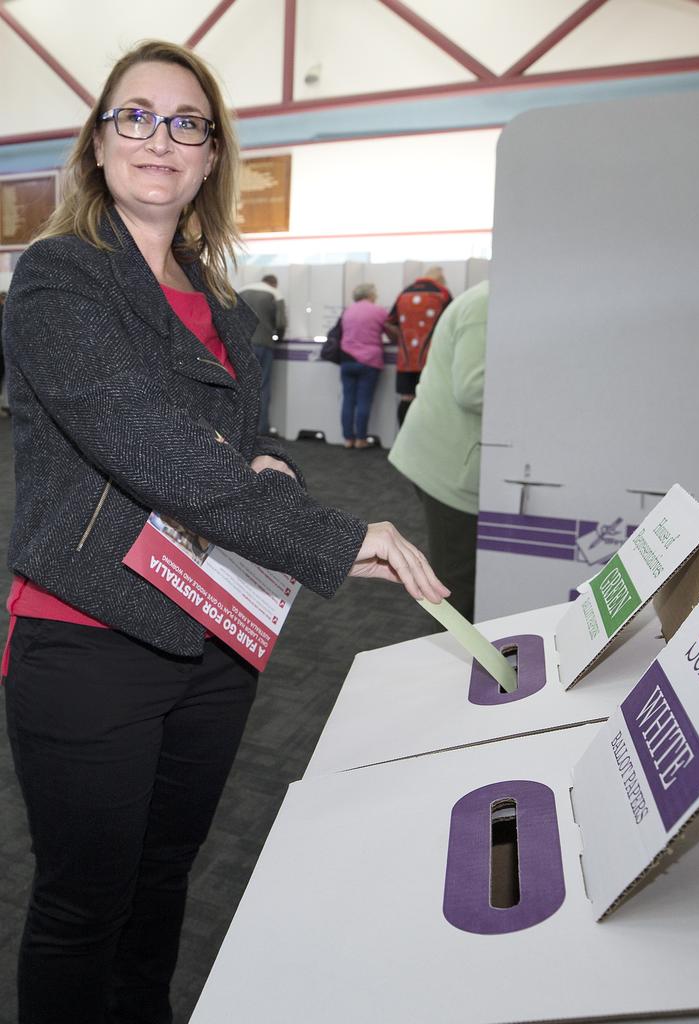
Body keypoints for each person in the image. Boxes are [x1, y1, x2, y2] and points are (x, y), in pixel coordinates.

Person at [1, 40, 447, 1024]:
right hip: (90, 636)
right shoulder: (60, 277)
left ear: (209, 158)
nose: (161, 137)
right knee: (84, 902)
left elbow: (255, 452)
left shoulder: (236, 314)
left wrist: (275, 472)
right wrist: (329, 535)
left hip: (215, 631)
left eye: (187, 123)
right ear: (98, 145)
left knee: (164, 882)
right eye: (137, 116)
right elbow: (150, 444)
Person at [388, 279, 489, 622]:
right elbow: (473, 389)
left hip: (451, 455)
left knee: (463, 571)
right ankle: (455, 671)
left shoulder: (487, 300)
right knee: (457, 582)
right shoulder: (486, 304)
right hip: (448, 464)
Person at [386, 265, 452, 426]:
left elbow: (389, 323)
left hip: (406, 359)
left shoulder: (404, 293)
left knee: (406, 398)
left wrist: (401, 339)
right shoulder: (442, 293)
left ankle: (404, 438)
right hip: (432, 358)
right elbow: (451, 322)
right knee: (431, 399)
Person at [339, 282, 394, 449]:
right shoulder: (379, 311)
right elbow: (390, 333)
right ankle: (361, 439)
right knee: (364, 400)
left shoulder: (347, 311)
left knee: (348, 400)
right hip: (369, 361)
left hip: (347, 359)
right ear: (371, 295)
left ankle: (348, 438)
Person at [239, 273, 286, 434]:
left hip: (241, 345)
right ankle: (261, 429)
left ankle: (242, 429)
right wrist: (279, 338)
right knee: (262, 386)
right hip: (263, 344)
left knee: (242, 386)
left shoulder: (242, 290)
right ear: (274, 283)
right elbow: (281, 322)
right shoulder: (275, 293)